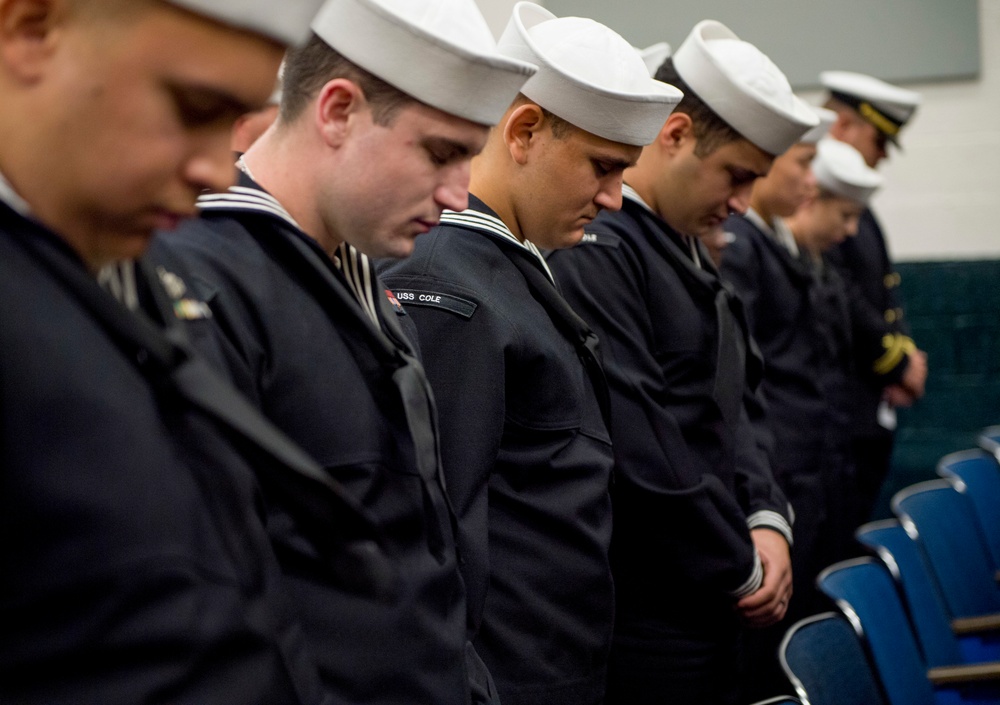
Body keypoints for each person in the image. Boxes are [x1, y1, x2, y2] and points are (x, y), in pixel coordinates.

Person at [0, 0, 394, 703]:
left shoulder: (137, 273)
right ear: (31, 29)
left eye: (237, 118)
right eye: (192, 107)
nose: (220, 171)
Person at [149, 1, 536, 703]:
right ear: (337, 111)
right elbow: (223, 604)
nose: (458, 195)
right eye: (441, 151)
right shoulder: (206, 283)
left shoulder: (355, 275)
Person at [379, 4, 681, 704]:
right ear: (524, 132)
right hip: (510, 676)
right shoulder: (445, 279)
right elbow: (441, 527)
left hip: (555, 661)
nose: (614, 199)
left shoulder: (505, 265)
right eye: (603, 168)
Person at [546, 20, 817, 705]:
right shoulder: (602, 246)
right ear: (674, 136)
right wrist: (743, 564)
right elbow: (643, 439)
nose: (741, 203)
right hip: (652, 608)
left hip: (714, 581)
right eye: (735, 175)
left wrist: (765, 515)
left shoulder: (680, 244)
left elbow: (736, 405)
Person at [718, 116, 876, 699]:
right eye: (803, 164)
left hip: (804, 470)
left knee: (802, 626)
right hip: (778, 472)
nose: (811, 181)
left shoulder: (771, 243)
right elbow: (746, 382)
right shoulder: (741, 247)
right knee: (769, 660)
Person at [820, 70, 928, 523]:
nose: (881, 156)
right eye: (878, 141)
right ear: (843, 127)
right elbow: (840, 293)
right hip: (839, 410)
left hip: (864, 407)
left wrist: (904, 352)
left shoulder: (859, 207)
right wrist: (898, 363)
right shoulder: (816, 201)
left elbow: (884, 288)